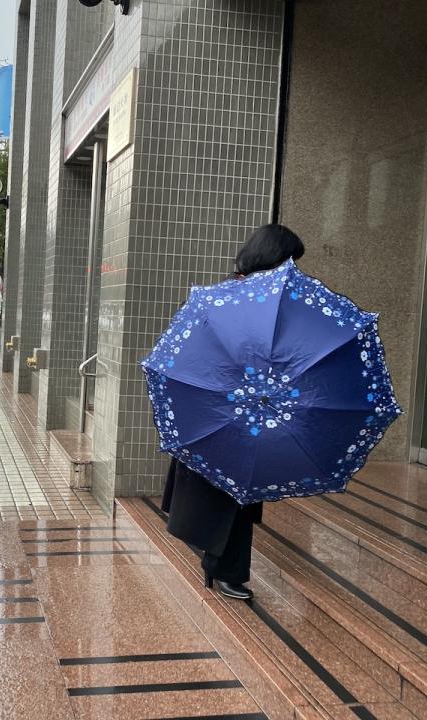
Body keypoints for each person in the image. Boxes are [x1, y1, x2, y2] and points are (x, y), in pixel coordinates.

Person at [161, 224, 305, 601]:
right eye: (288, 261)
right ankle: (221, 566)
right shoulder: (228, 299)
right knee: (223, 493)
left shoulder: (273, 300)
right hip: (221, 406)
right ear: (271, 259)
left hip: (252, 408)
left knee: (239, 492)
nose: (293, 269)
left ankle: (223, 566)